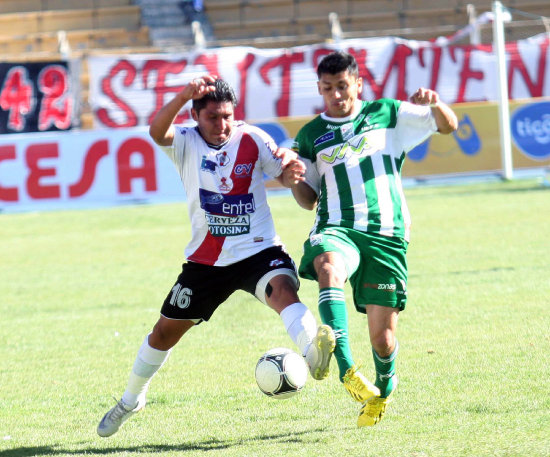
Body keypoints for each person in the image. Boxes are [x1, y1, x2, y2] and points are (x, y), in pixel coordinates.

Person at [96, 76, 336, 437]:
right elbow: (156, 131)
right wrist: (181, 95)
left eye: (227, 115)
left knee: (284, 291)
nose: (222, 124)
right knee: (163, 334)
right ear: (195, 115)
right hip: (206, 261)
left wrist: (292, 173)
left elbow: (283, 174)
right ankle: (132, 399)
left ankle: (312, 353)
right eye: (212, 117)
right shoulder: (186, 142)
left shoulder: (253, 138)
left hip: (258, 249)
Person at [281, 51, 458, 427]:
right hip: (336, 226)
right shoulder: (311, 134)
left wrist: (436, 104)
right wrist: (294, 178)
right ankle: (347, 369)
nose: (336, 95)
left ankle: (384, 385)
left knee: (384, 340)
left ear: (358, 84)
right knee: (327, 266)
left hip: (386, 234)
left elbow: (448, 126)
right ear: (319, 89)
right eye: (328, 89)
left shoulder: (388, 113)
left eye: (343, 86)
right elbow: (308, 199)